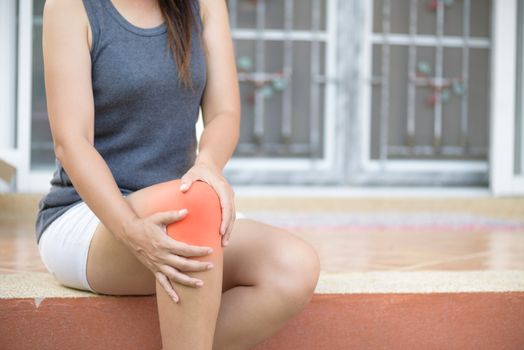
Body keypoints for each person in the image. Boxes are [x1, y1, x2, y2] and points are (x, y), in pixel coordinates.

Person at [34, 0, 321, 349]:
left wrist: (207, 165)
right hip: (90, 217)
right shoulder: (71, 7)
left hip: (185, 214)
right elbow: (72, 142)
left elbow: (224, 113)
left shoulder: (203, 5)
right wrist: (131, 229)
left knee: (292, 267)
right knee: (195, 204)